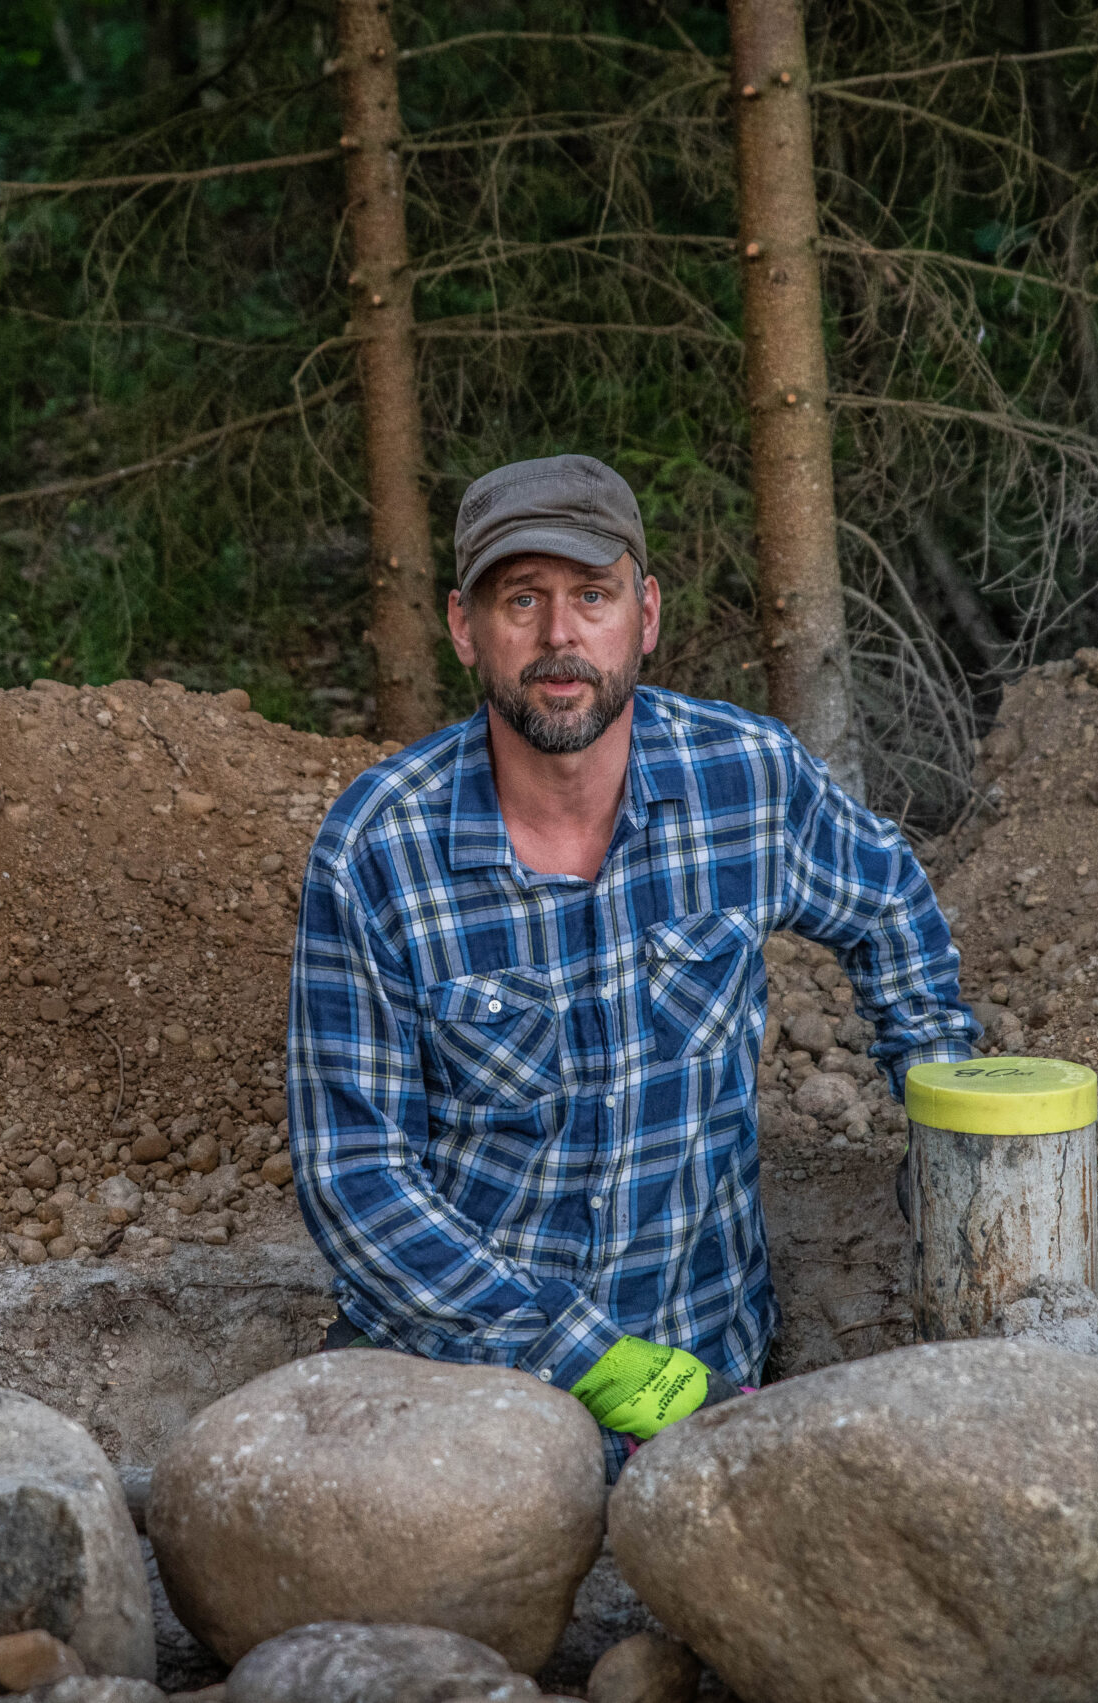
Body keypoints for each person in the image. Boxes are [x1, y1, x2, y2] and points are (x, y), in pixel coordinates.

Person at [284, 453, 976, 1462]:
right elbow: (356, 1177)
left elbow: (888, 905)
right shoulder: (378, 847)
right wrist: (585, 1357)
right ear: (462, 626)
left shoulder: (745, 782)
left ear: (643, 614)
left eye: (591, 595)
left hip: (705, 1379)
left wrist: (941, 1103)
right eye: (521, 600)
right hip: (463, 1400)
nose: (559, 636)